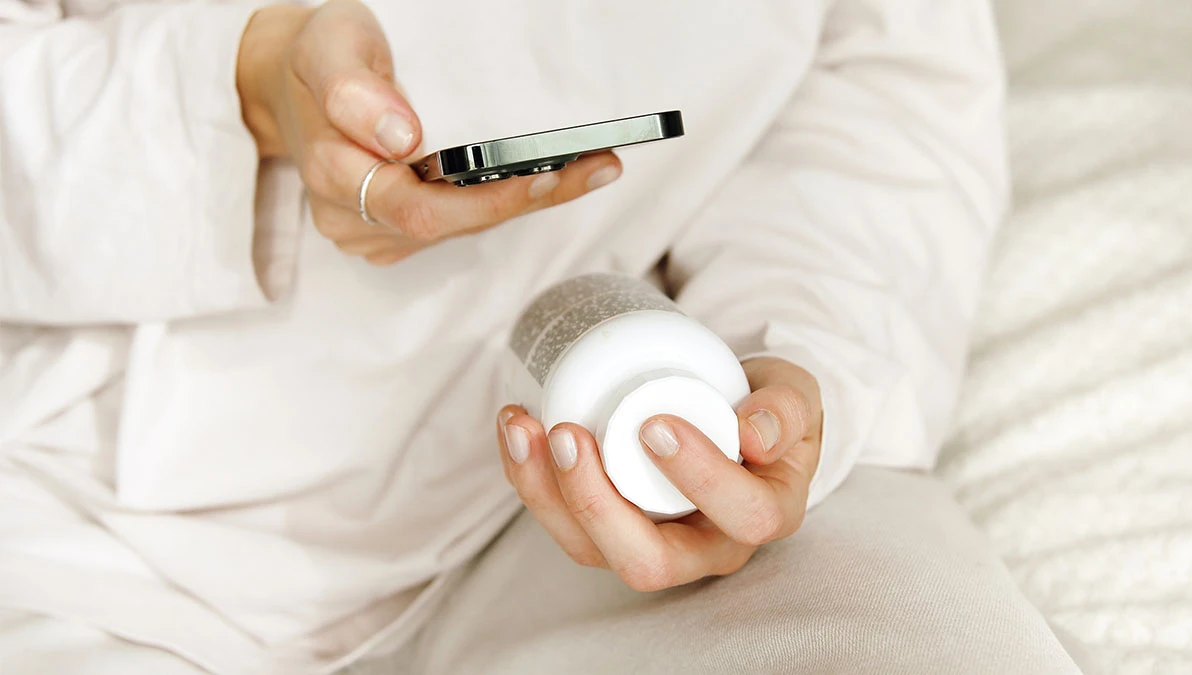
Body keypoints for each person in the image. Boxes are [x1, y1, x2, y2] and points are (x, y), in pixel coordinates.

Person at [0, 0, 1084, 673]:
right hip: (87, 515)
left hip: (614, 450)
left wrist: (791, 371)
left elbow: (872, 107)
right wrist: (245, 86)